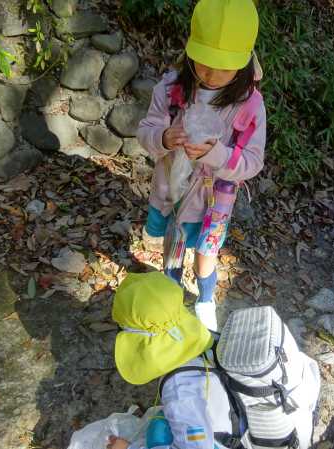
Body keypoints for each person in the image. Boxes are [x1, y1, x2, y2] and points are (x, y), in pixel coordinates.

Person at [137, 0, 266, 331]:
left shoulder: (249, 104)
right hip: (171, 189)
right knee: (173, 246)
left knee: (207, 252)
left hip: (214, 201)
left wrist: (216, 154)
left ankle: (205, 299)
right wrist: (164, 138)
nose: (210, 74)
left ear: (243, 63)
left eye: (223, 67)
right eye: (203, 63)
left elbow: (253, 161)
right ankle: (170, 297)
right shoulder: (171, 89)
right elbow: (145, 131)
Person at [106, 271, 236, 449]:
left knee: (158, 431)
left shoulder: (178, 388)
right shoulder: (204, 346)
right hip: (224, 420)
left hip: (215, 442)